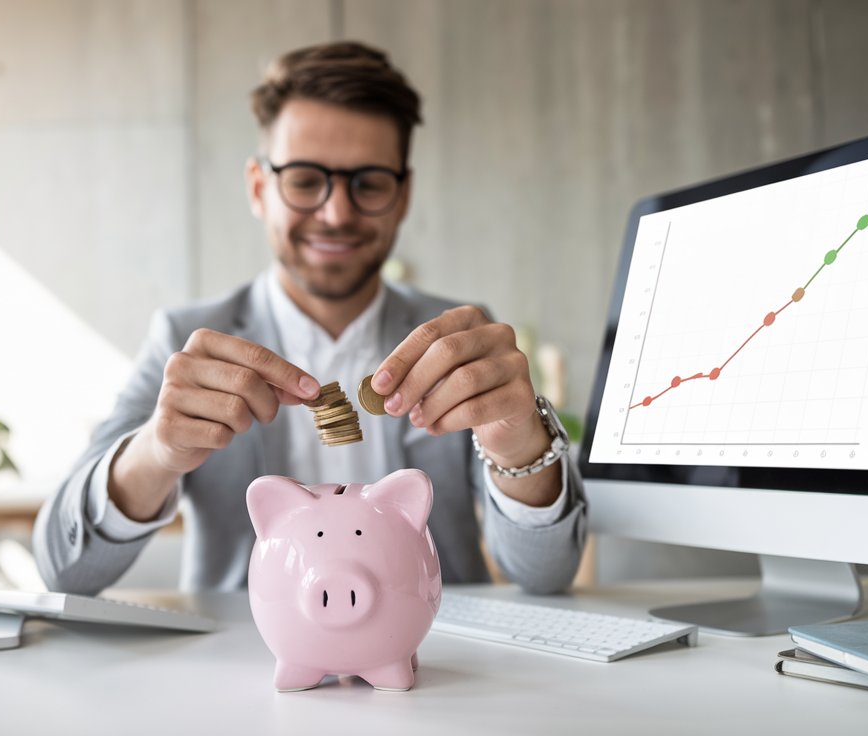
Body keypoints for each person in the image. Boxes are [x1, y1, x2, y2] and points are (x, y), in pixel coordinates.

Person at [34, 41, 586, 595]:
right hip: (251, 664)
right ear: (259, 187)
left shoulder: (459, 340)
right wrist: (154, 452)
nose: (336, 213)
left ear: (404, 194)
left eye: (368, 182)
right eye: (304, 180)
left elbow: (547, 574)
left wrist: (521, 449)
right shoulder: (184, 342)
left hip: (438, 657)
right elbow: (64, 569)